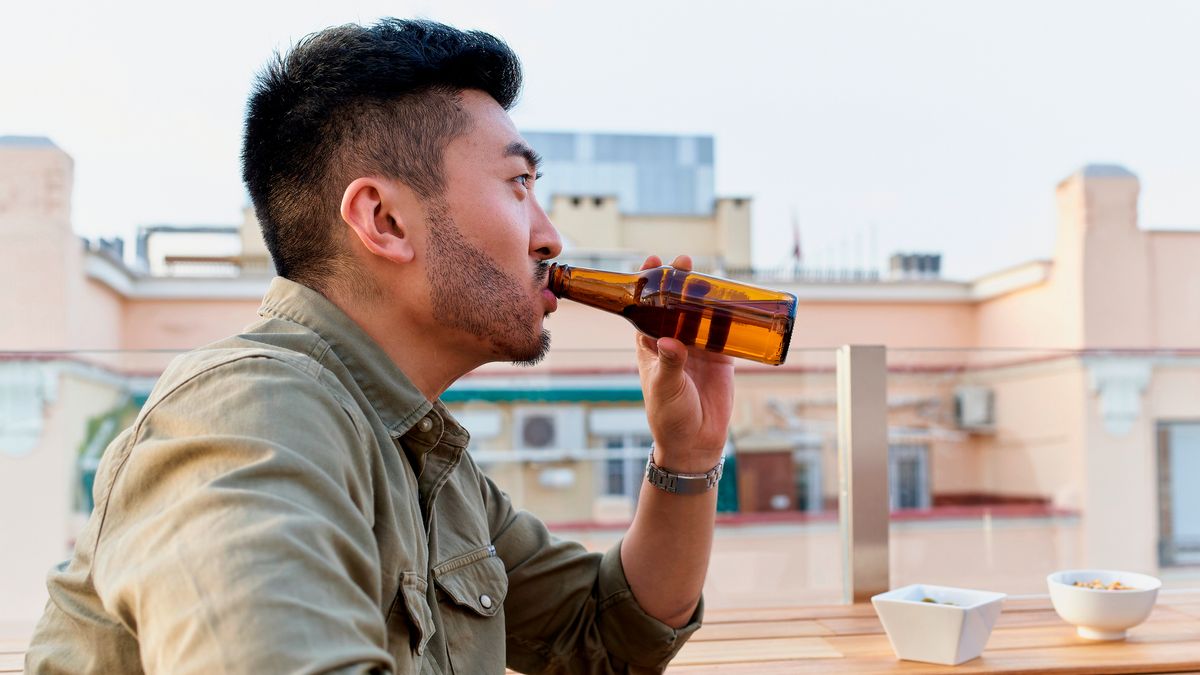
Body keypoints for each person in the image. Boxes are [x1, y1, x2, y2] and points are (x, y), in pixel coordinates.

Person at [25, 18, 734, 674]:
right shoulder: (247, 417)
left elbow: (604, 634)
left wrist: (687, 454)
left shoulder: (423, 455)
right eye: (518, 184)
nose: (550, 237)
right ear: (385, 220)